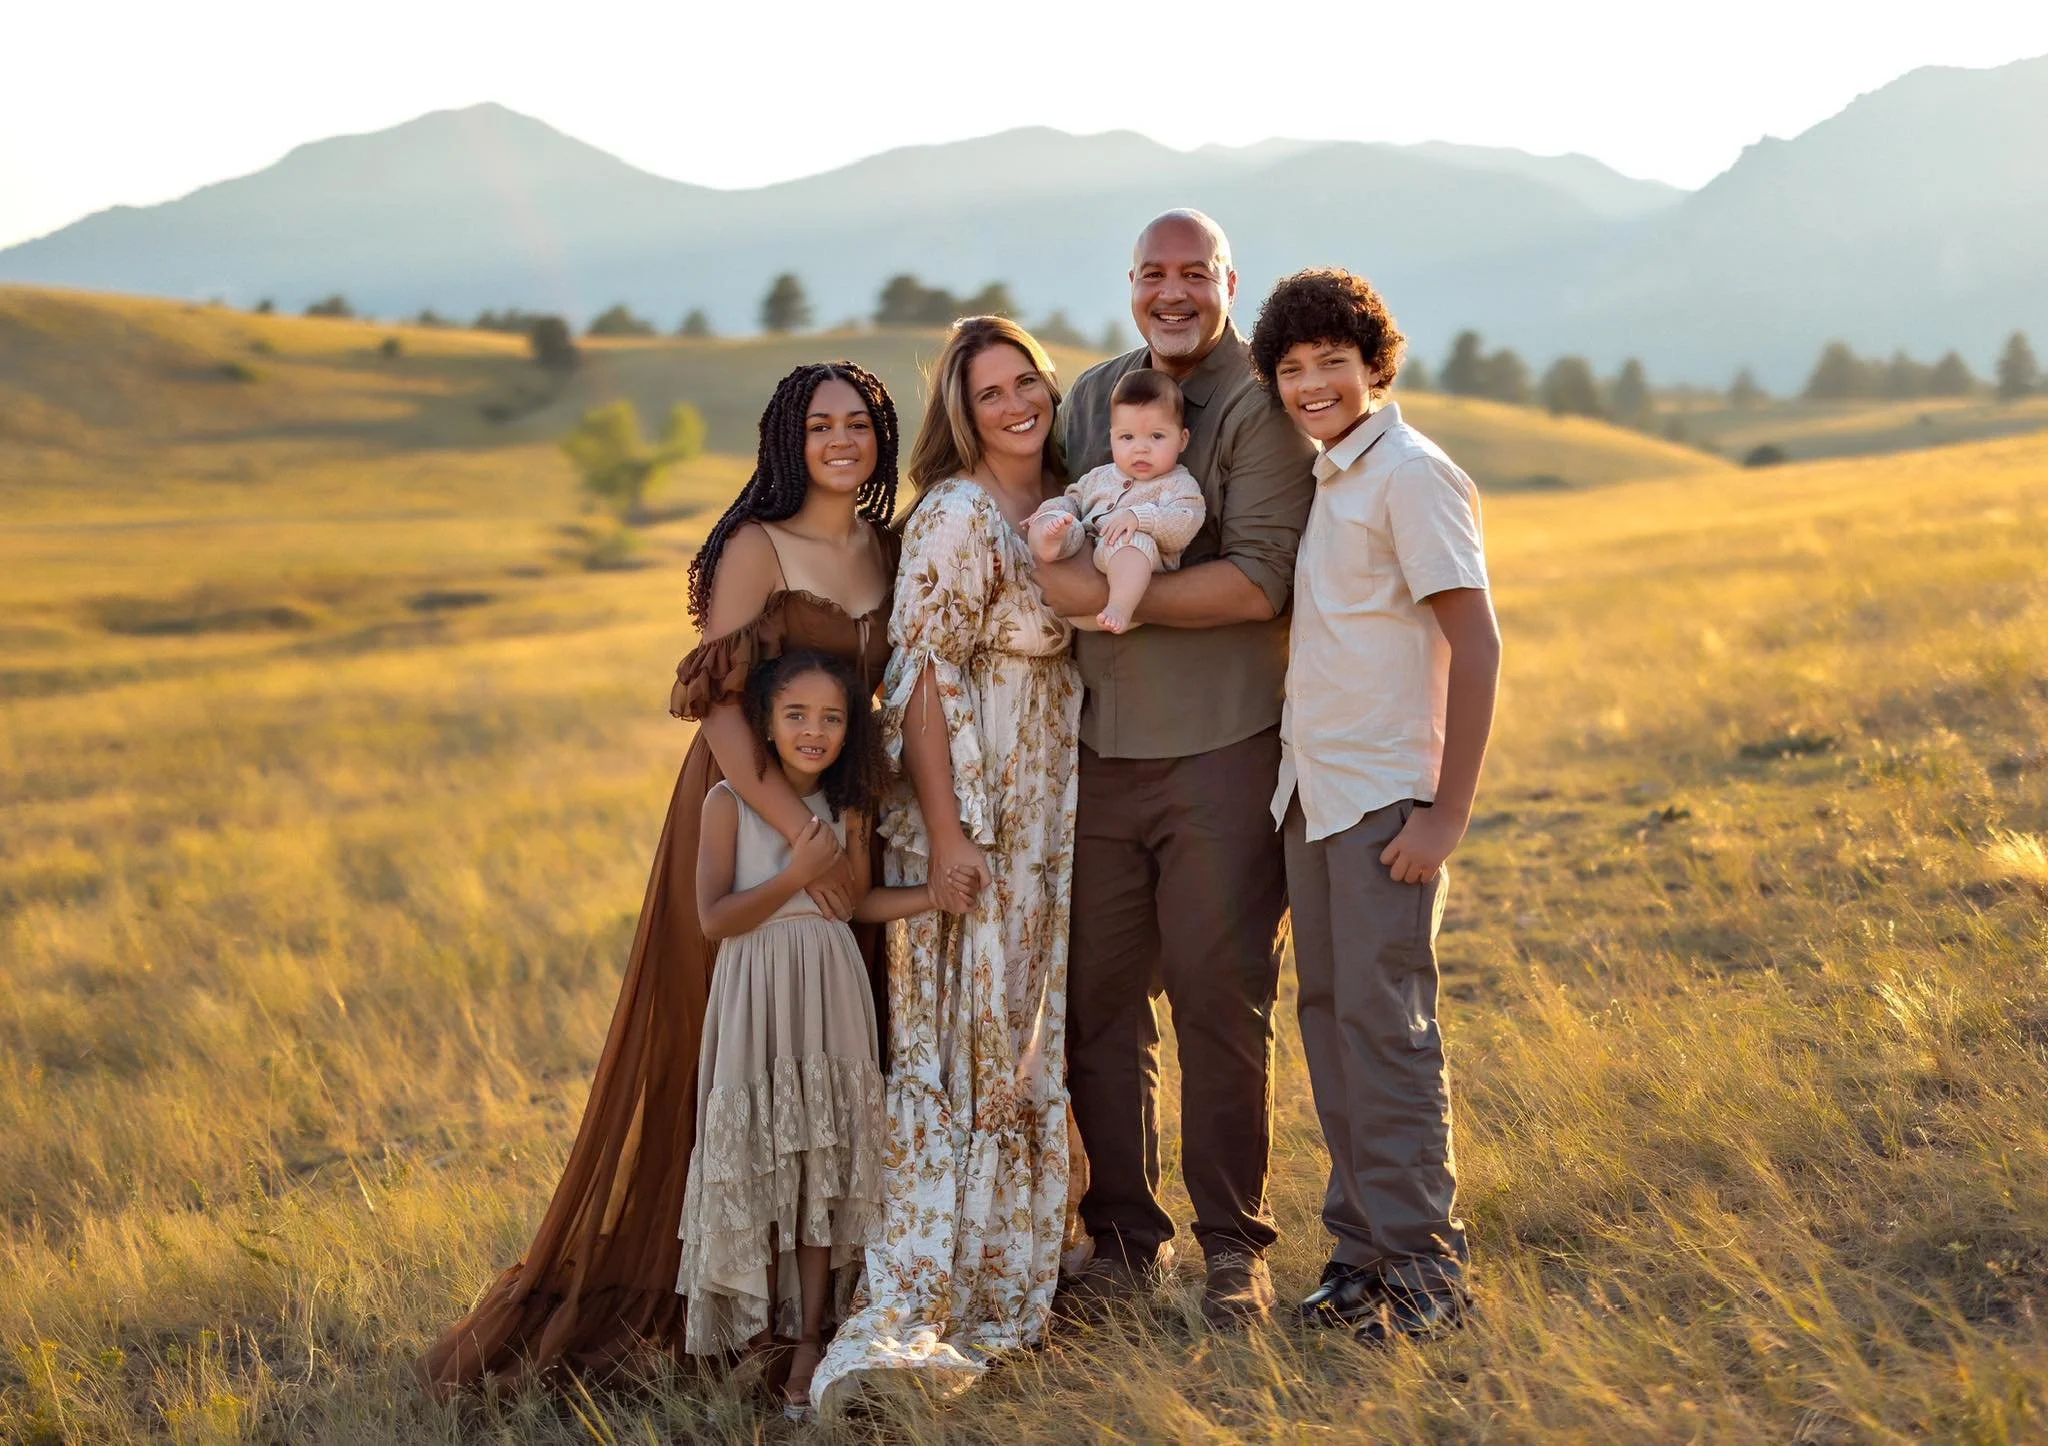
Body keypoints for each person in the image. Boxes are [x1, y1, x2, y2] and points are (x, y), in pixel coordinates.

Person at [419, 363, 905, 1390]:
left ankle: (813, 1301)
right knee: (716, 1049)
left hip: (841, 818)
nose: (839, 440)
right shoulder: (754, 545)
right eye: (817, 425)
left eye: (855, 423)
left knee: (821, 1059)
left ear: (878, 435)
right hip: (749, 810)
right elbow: (722, 707)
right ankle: (710, 1302)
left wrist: (842, 835)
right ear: (787, 441)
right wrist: (796, 834)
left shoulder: (880, 544)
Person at [1035, 210, 1317, 1327]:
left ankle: (1233, 1250)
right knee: (1095, 1008)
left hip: (1222, 749)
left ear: (1226, 282)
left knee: (1216, 999)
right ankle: (1117, 1244)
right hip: (1097, 754)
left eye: (1192, 273)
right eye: (1152, 272)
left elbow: (1255, 583)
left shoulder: (1260, 399)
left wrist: (1107, 603)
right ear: (1131, 283)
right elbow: (1051, 524)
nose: (1171, 291)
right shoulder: (1092, 395)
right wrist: (1069, 586)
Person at [811, 317, 1083, 1414]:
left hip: (1043, 812)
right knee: (961, 1046)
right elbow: (917, 681)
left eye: (1027, 383)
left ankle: (1012, 1258)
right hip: (968, 816)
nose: (1013, 405)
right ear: (958, 415)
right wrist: (952, 830)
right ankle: (928, 1293)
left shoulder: (1063, 497)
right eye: (987, 394)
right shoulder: (958, 515)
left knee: (1014, 1040)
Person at [1247, 267, 1499, 1344]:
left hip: (1387, 801)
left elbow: (1476, 643)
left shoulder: (1409, 474)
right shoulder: (1326, 479)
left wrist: (1443, 816)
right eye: (1291, 369)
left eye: (1331, 364)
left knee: (1387, 1037)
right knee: (1332, 1026)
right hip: (1313, 794)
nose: (1311, 385)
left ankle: (1426, 1279)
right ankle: (1358, 1260)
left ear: (1372, 366)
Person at [678, 649, 959, 1422]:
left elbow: (857, 904)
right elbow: (713, 920)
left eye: (832, 718)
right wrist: (792, 874)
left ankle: (810, 1338)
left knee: (818, 1163)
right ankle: (756, 1332)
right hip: (755, 991)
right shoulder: (728, 803)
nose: (814, 731)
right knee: (765, 1153)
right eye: (796, 715)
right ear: (765, 726)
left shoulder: (851, 808)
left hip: (830, 993)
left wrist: (931, 895)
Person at [1025, 368, 1206, 634]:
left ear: (1182, 439)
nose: (1140, 448)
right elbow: (1074, 499)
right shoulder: (1098, 476)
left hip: (1131, 579)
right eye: (1127, 437)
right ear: (1112, 438)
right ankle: (1049, 544)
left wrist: (1139, 518)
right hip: (1082, 563)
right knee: (1062, 518)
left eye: (1157, 436)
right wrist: (1053, 513)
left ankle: (1119, 605)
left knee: (1132, 543)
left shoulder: (1179, 484)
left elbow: (1186, 522)